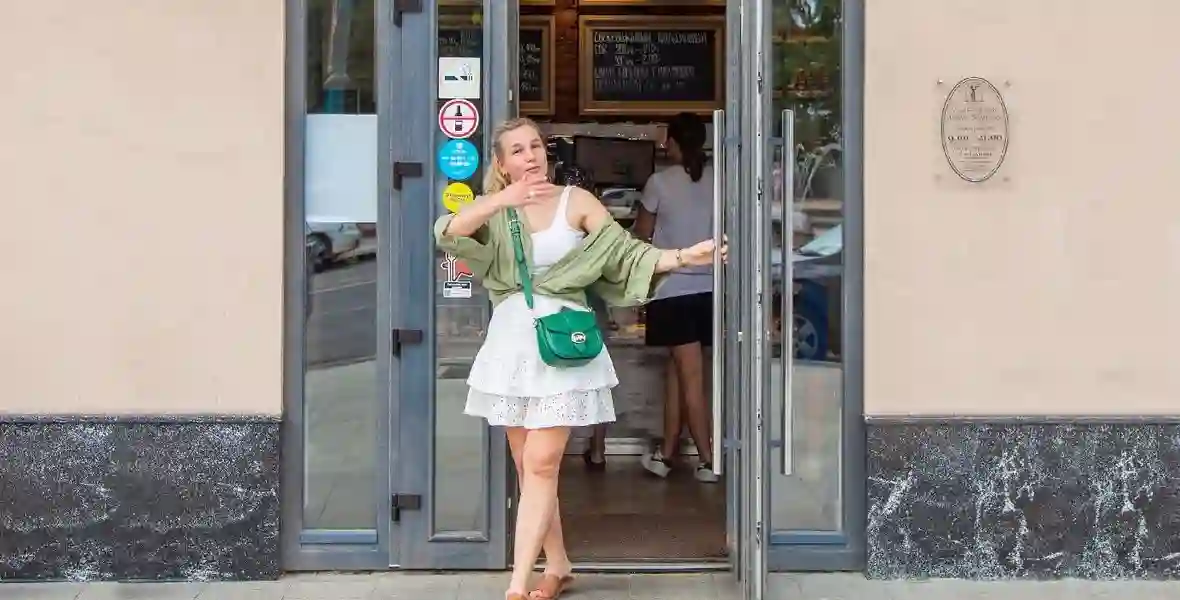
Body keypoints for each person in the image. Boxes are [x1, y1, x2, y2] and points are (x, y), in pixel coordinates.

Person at [434, 117, 724, 600]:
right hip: (511, 344)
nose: (530, 156)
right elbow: (449, 233)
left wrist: (683, 257)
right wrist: (502, 200)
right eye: (517, 150)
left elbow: (627, 254)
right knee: (529, 469)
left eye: (535, 146)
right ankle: (559, 565)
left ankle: (517, 584)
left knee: (542, 463)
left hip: (565, 344)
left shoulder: (577, 201)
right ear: (502, 165)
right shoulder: (495, 211)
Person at [632, 112, 719, 483]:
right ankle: (666, 454)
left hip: (673, 290)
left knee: (691, 380)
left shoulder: (659, 183)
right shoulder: (719, 180)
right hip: (710, 290)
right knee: (679, 373)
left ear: (675, 142)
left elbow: (641, 234)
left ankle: (708, 460)